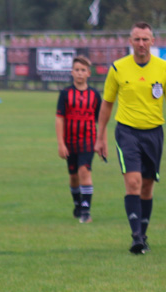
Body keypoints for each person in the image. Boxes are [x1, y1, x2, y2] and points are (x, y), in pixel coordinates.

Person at [95, 22, 166, 254]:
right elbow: (107, 104)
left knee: (147, 186)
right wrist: (100, 136)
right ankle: (136, 236)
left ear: (153, 41)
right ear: (130, 41)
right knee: (133, 182)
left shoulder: (163, 68)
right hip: (127, 132)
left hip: (154, 132)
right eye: (137, 39)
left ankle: (143, 234)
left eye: (146, 39)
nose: (141, 44)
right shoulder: (118, 68)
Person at [56, 55, 101, 224]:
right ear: (71, 72)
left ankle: (86, 211)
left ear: (89, 73)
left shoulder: (95, 95)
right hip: (70, 141)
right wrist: (61, 144)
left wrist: (101, 141)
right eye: (77, 70)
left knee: (84, 172)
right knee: (74, 176)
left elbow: (100, 120)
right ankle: (77, 205)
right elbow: (59, 118)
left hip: (88, 140)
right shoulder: (65, 94)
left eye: (83, 70)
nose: (80, 73)